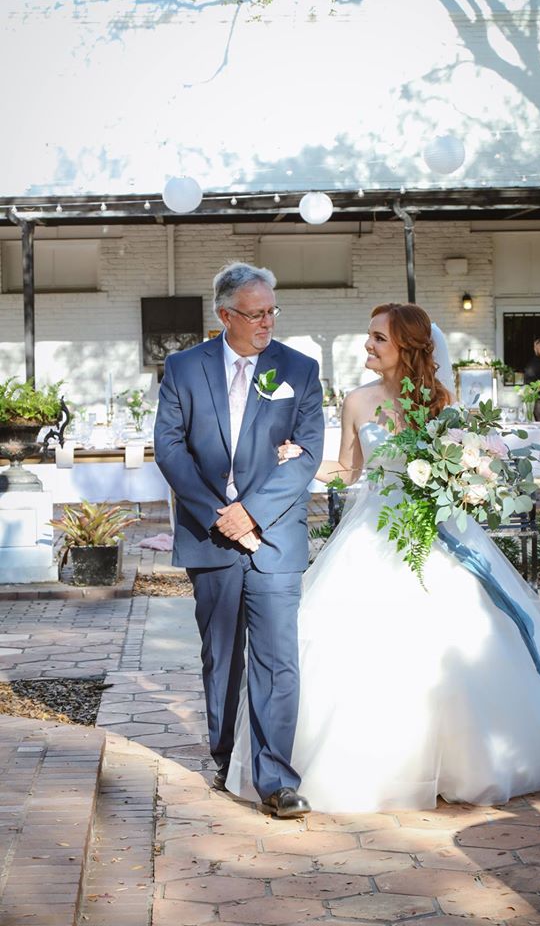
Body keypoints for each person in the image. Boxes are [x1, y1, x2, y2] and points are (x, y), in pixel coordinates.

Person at [226, 303, 540, 812]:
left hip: (439, 533)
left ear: (406, 346)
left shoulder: (440, 402)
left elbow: (468, 460)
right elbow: (348, 471)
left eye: (378, 338)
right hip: (375, 534)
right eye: (369, 337)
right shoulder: (358, 402)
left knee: (460, 644)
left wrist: (470, 480)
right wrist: (303, 460)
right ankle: (382, 767)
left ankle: (464, 763)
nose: (368, 346)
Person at [154, 261, 324, 819]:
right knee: (221, 655)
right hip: (211, 538)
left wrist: (251, 513)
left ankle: (276, 780)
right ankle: (225, 757)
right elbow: (171, 450)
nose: (267, 323)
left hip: (274, 537)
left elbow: (308, 456)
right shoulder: (182, 369)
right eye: (256, 314)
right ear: (225, 315)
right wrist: (219, 515)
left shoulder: (299, 370)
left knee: (278, 659)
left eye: (273, 311)